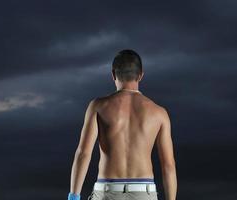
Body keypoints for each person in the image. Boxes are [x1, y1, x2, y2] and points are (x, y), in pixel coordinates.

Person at [68, 49, 177, 200]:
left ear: (113, 74)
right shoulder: (159, 113)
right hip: (144, 192)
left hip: (107, 191)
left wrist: (73, 196)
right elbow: (168, 166)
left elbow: (83, 154)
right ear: (141, 75)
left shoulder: (98, 106)